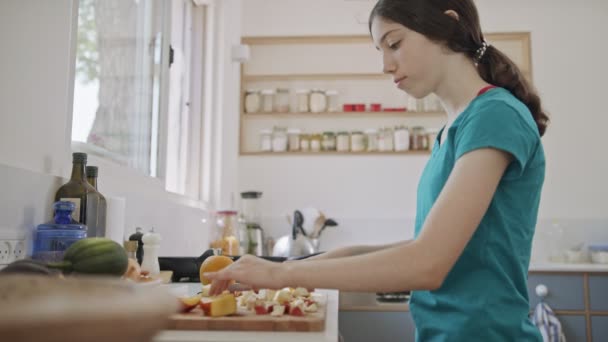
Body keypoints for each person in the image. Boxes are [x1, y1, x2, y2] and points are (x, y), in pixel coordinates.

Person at [206, 0, 548, 340]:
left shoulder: (494, 115)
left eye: (395, 44)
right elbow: (428, 246)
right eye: (380, 50)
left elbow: (428, 262)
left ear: (449, 27)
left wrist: (281, 276)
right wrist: (278, 269)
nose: (385, 65)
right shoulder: (453, 130)